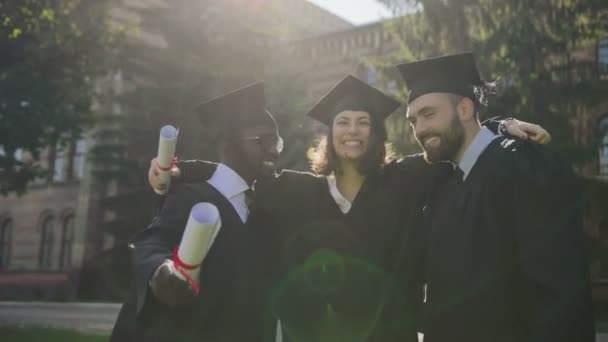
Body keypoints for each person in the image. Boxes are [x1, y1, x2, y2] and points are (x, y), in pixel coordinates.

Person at [148, 75, 552, 342]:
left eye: (364, 122)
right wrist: (180, 169)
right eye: (343, 122)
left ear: (377, 133)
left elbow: (456, 145)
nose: (353, 131)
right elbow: (237, 173)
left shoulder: (408, 179)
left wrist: (499, 125)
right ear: (330, 134)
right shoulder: (295, 190)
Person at [397, 52, 595, 342]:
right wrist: (498, 123)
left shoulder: (522, 165)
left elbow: (559, 295)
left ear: (465, 109)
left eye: (429, 114)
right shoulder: (446, 182)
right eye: (413, 121)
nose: (420, 129)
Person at [110, 82, 283, 342]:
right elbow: (153, 240)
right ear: (231, 146)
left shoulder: (264, 209)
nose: (273, 150)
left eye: (277, 142)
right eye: (264, 141)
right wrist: (161, 271)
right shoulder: (193, 197)